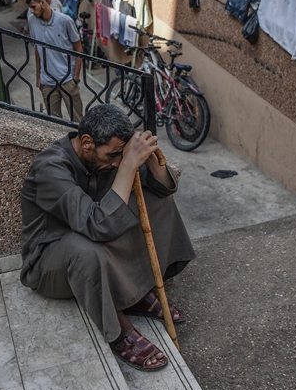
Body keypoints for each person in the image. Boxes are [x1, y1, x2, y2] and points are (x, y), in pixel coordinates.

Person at [19, 104, 196, 372]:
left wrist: (147, 157)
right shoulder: (50, 167)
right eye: (113, 155)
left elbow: (163, 187)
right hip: (49, 263)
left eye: (120, 155)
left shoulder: (105, 155)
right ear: (87, 143)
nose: (116, 162)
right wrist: (125, 166)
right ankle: (119, 329)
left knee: (156, 203)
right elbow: (97, 225)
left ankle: (135, 291)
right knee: (86, 250)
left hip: (92, 236)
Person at [27, 0, 84, 122]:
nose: (31, 11)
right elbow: (37, 47)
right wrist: (38, 76)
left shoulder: (65, 21)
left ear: (43, 3)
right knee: (54, 123)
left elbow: (78, 48)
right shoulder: (32, 20)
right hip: (47, 81)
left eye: (33, 7)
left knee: (77, 121)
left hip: (67, 79)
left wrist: (75, 78)